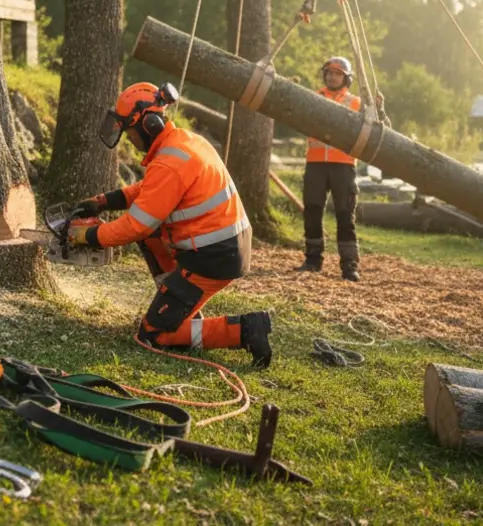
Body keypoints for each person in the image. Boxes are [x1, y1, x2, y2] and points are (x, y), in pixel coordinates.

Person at [67, 82, 274, 367]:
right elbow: (151, 190)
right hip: (222, 246)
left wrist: (87, 236)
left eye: (130, 130)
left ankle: (245, 330)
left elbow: (135, 226)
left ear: (148, 125)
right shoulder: (182, 143)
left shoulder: (169, 163)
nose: (129, 138)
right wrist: (104, 202)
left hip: (213, 256)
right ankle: (177, 303)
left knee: (153, 335)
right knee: (152, 235)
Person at [297, 56, 364, 281]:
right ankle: (312, 261)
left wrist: (379, 108)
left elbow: (377, 125)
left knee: (345, 215)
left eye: (337, 74)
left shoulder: (356, 103)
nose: (333, 77)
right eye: (330, 73)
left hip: (344, 166)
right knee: (312, 212)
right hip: (315, 164)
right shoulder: (313, 98)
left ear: (346, 79)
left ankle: (349, 266)